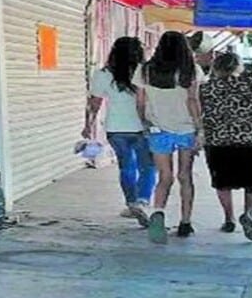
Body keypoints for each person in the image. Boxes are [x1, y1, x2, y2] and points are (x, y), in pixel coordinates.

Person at [135, 31, 205, 244]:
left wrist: (144, 123)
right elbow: (193, 100)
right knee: (185, 176)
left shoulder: (145, 70)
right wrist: (200, 128)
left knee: (165, 176)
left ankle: (158, 212)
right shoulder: (191, 70)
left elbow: (140, 101)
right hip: (185, 128)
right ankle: (185, 222)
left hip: (157, 128)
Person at [84, 37, 154, 227]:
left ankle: (131, 203)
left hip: (116, 128)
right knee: (148, 166)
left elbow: (94, 103)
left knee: (126, 166)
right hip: (143, 126)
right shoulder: (146, 72)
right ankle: (142, 201)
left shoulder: (103, 74)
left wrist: (88, 125)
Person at [200, 53, 252, 241]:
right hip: (250, 140)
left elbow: (199, 110)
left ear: (216, 67)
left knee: (222, 182)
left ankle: (228, 218)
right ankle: (248, 213)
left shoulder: (207, 88)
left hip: (218, 141)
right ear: (239, 66)